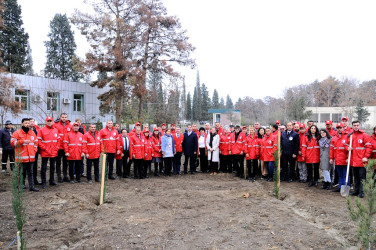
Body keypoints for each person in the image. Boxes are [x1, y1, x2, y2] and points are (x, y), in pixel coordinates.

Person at [10, 118, 39, 191]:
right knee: (21, 173)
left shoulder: (32, 133)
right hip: (21, 157)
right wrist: (22, 141)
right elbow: (12, 143)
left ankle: (31, 187)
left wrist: (34, 151)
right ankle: (20, 186)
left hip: (30, 157)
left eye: (28, 123)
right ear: (22, 124)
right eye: (26, 123)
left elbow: (36, 143)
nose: (27, 124)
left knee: (31, 172)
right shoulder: (17, 133)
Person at [348, 121, 372, 198]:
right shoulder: (351, 135)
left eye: (357, 125)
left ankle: (362, 192)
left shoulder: (364, 135)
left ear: (360, 126)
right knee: (356, 177)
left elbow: (369, 147)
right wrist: (348, 148)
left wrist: (366, 157)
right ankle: (356, 190)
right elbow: (346, 145)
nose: (356, 126)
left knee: (362, 177)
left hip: (362, 161)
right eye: (354, 125)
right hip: (353, 161)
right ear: (352, 126)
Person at [37, 116, 60, 188]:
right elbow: (38, 141)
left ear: (52, 122)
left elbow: (58, 141)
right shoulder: (41, 130)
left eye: (50, 121)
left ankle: (52, 180)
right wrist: (44, 148)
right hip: (45, 152)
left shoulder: (56, 130)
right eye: (48, 121)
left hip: (53, 152)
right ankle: (43, 182)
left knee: (53, 167)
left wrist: (56, 148)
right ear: (45, 122)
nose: (49, 122)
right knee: (44, 168)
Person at [329, 123, 349, 192]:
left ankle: (346, 187)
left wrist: (348, 158)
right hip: (337, 160)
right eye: (338, 128)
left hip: (345, 160)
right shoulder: (334, 138)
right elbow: (331, 149)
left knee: (345, 175)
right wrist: (331, 158)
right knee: (340, 175)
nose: (339, 129)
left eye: (340, 128)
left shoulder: (347, 137)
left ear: (343, 128)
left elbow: (348, 149)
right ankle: (340, 187)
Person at [54, 113, 72, 183]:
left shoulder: (70, 126)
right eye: (63, 117)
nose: (64, 118)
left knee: (65, 162)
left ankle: (65, 176)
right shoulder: (56, 125)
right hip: (58, 147)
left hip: (66, 147)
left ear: (67, 118)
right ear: (60, 117)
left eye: (65, 117)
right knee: (58, 162)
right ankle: (59, 176)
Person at [29, 118, 41, 185]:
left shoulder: (37, 130)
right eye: (30, 121)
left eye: (33, 121)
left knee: (35, 165)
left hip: (35, 150)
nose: (32, 123)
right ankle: (27, 181)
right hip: (27, 150)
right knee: (28, 166)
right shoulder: (26, 130)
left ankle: (35, 179)